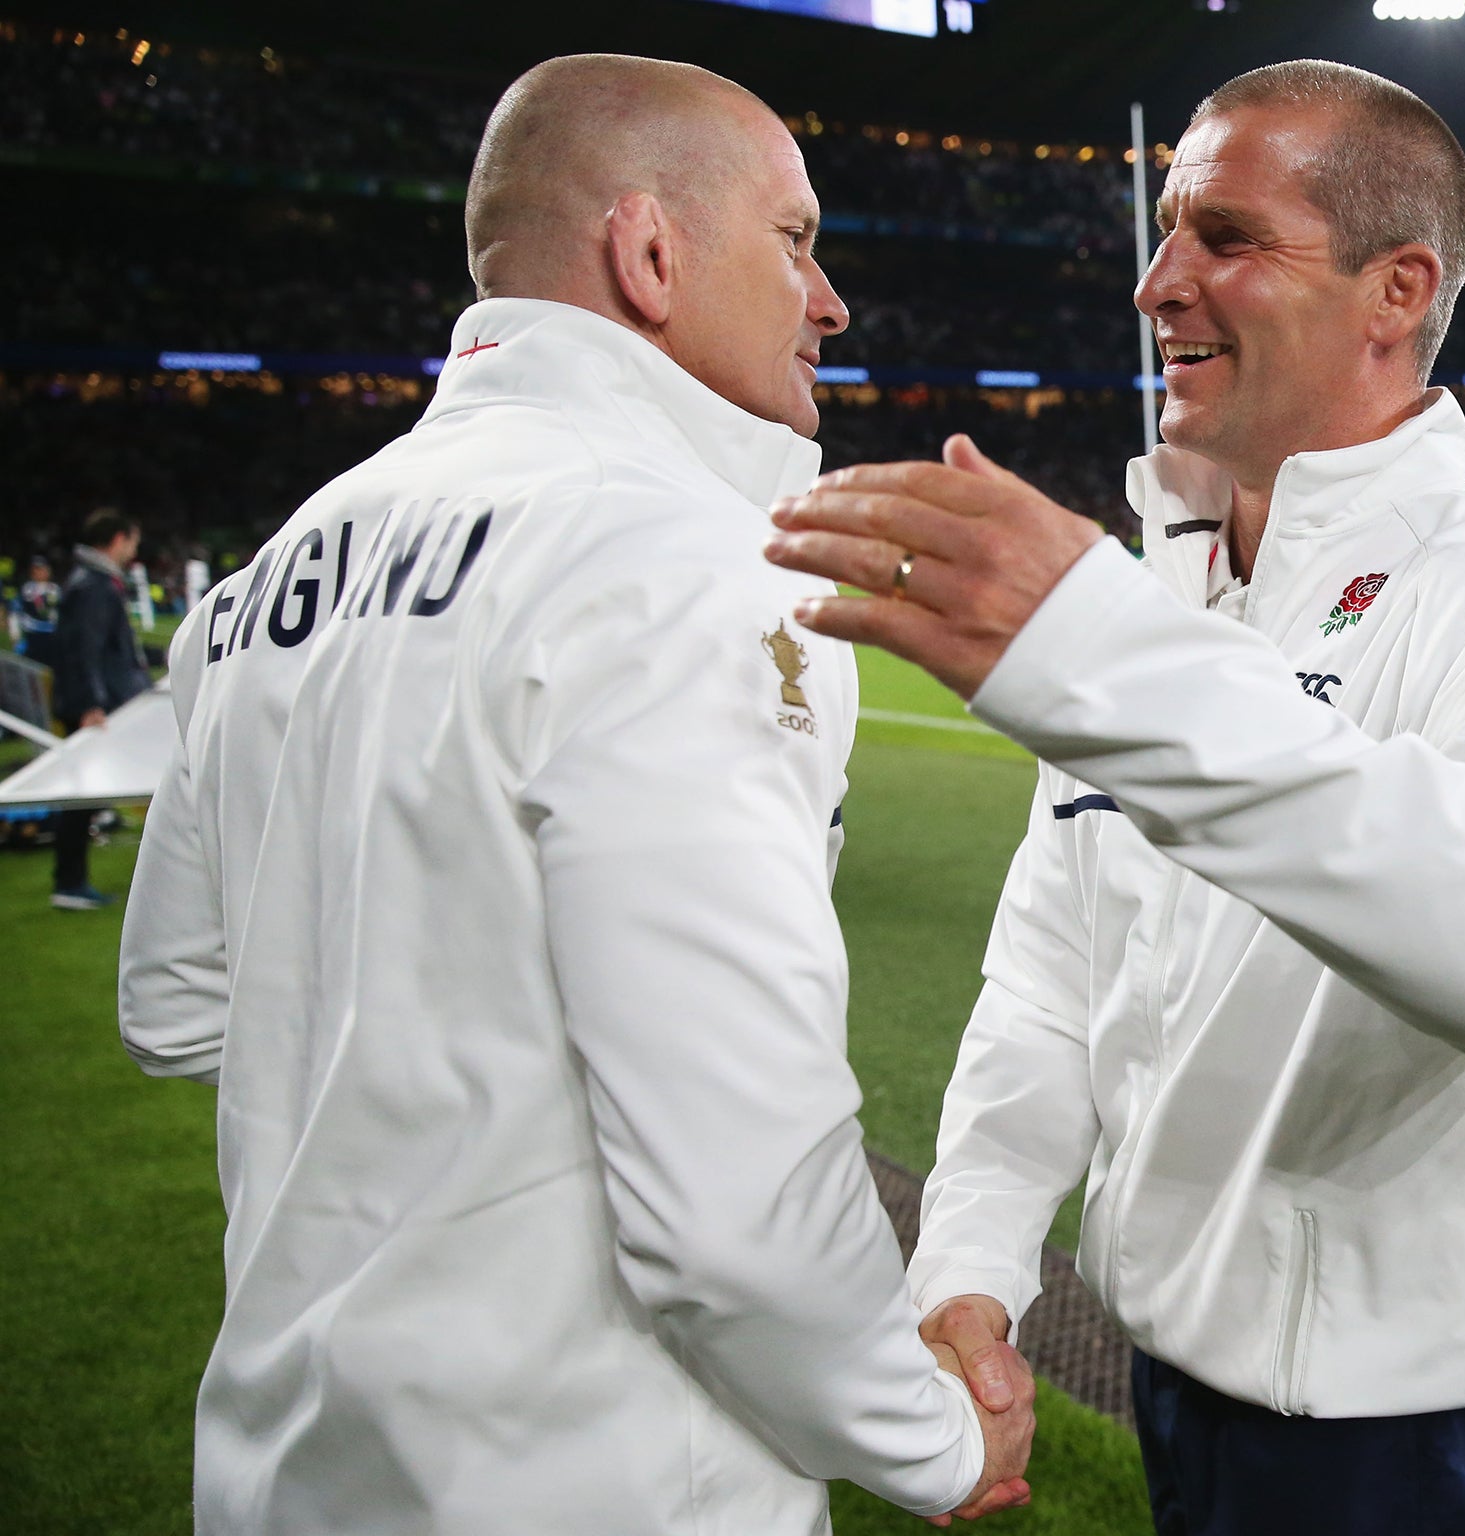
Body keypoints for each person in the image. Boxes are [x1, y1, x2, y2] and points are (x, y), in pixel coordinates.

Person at [765, 61, 1465, 1535]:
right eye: (1164, 235)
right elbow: (1050, 979)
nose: (1157, 284)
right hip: (1178, 1387)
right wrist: (972, 1266)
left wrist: (1132, 685)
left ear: (1397, 290)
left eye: (1226, 237)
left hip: (1397, 1437)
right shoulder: (1160, 596)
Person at [115, 54, 1031, 1535]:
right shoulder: (690, 565)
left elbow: (173, 1008)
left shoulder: (263, 578)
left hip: (287, 1468)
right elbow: (734, 1201)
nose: (831, 301)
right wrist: (931, 1440)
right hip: (599, 1481)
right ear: (650, 252)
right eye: (795, 240)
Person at [51, 510, 150, 910]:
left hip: (97, 700)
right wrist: (90, 704)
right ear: (118, 539)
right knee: (82, 794)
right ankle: (69, 882)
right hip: (96, 706)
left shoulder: (90, 581)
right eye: (133, 542)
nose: (134, 550)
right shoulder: (95, 586)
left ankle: (71, 879)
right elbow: (85, 650)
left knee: (86, 793)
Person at [12, 553, 62, 667]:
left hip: (50, 635)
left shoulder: (54, 590)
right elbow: (16, 611)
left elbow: (60, 613)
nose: (38, 572)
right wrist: (16, 635)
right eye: (35, 569)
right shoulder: (26, 589)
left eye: (41, 569)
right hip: (31, 634)